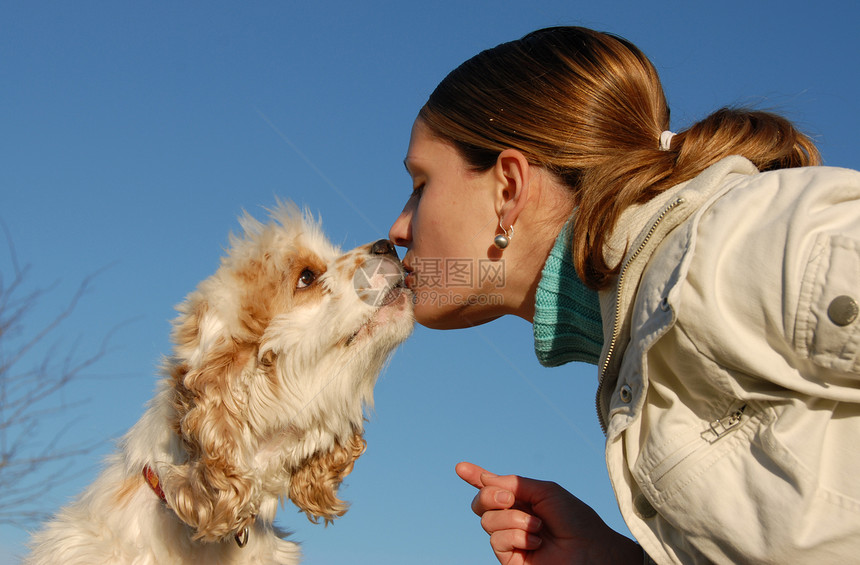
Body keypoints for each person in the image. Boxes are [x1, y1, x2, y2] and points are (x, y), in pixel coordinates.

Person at [388, 26, 860, 564]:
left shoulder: (734, 242)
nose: (399, 227)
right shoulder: (637, 348)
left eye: (420, 184)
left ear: (509, 189)